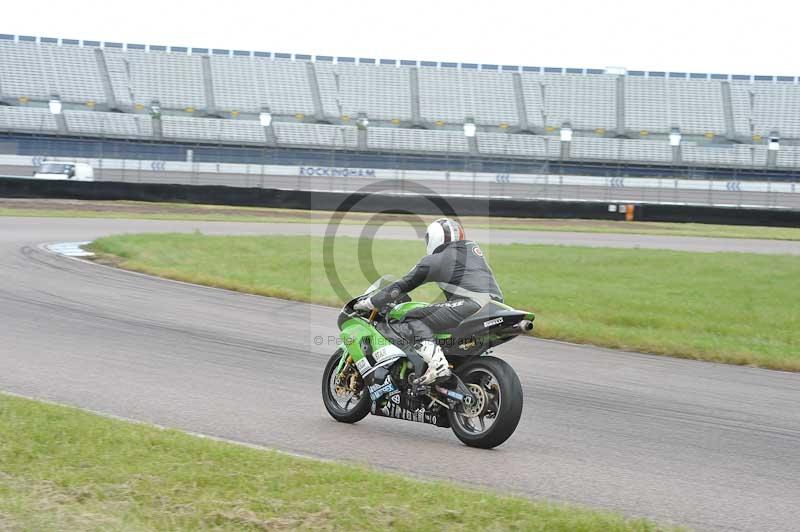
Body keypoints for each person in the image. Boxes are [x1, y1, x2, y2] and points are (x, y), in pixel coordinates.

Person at [354, 218, 504, 385]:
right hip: (497, 305)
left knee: (411, 317)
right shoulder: (473, 252)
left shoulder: (436, 260)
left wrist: (371, 302)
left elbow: (403, 285)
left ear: (434, 238)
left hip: (472, 305)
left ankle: (437, 365)